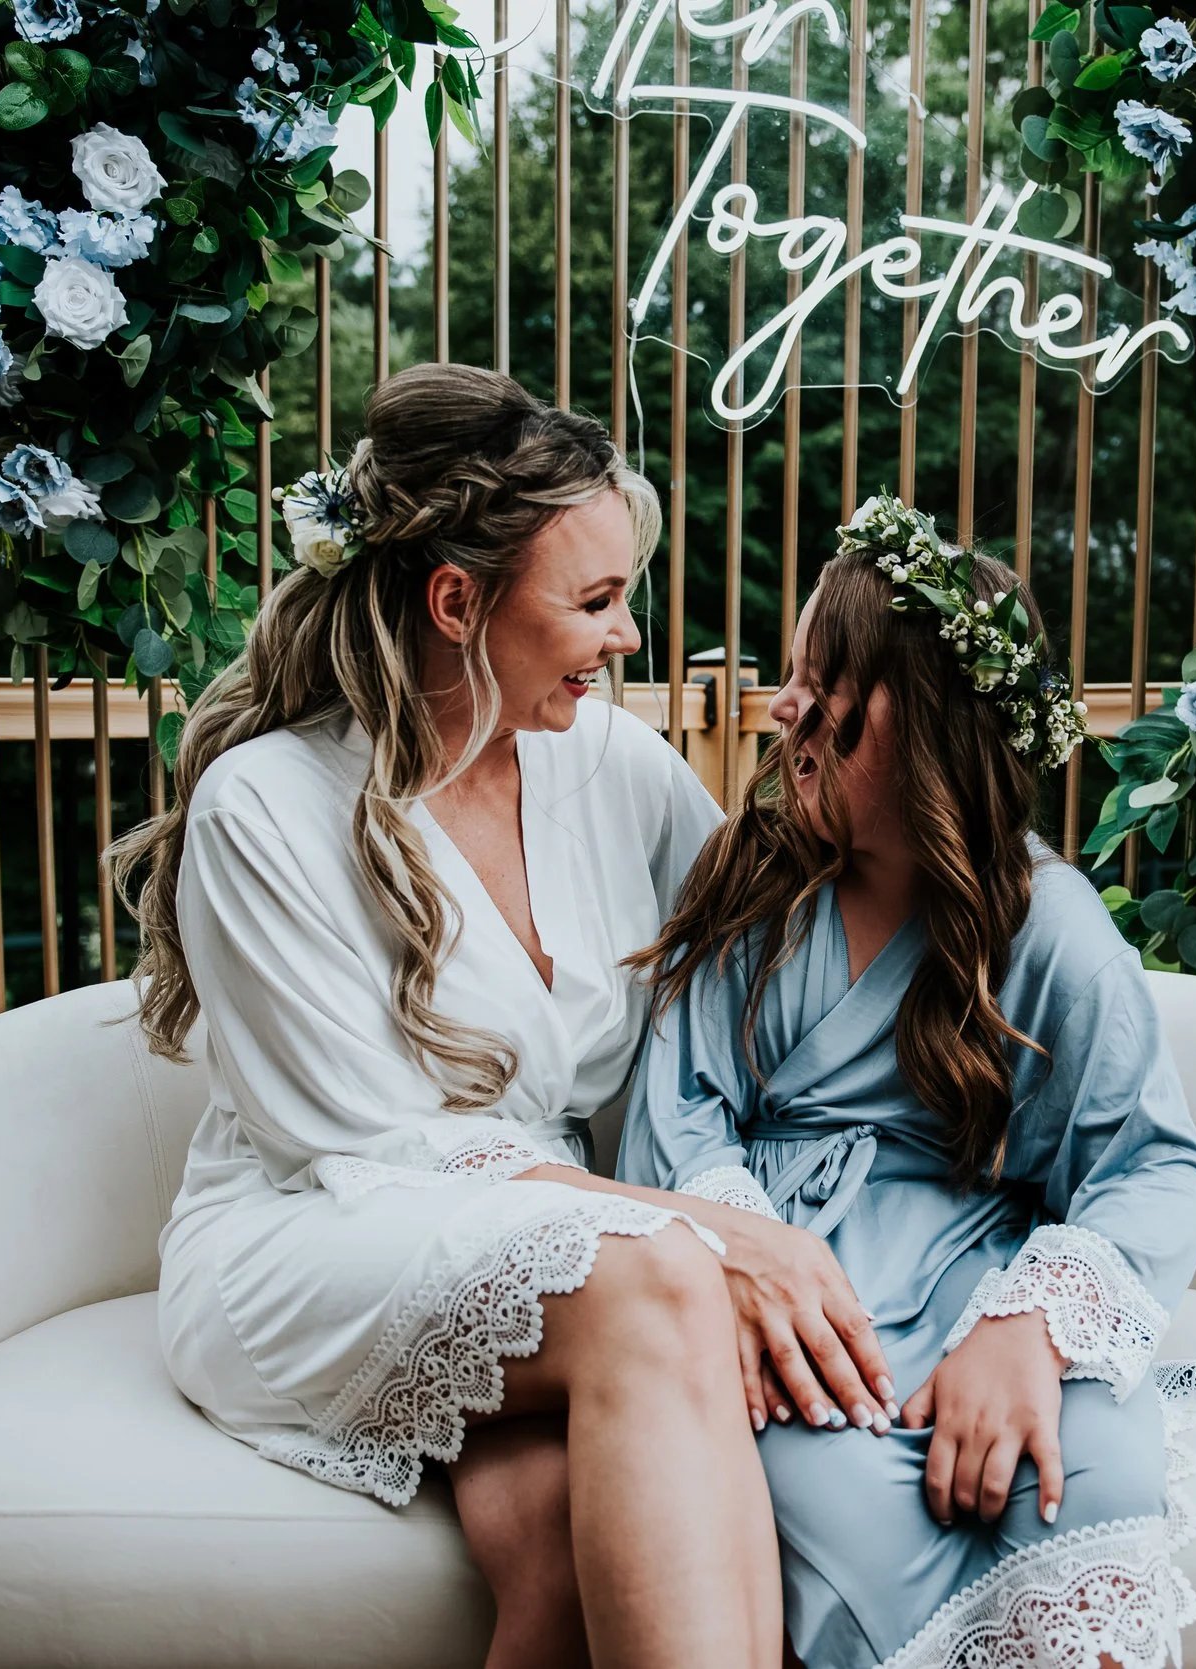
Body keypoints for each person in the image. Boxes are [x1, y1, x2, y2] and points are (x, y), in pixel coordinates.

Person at [112, 364, 896, 1669]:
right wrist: (711, 1232)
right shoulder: (268, 806)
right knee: (660, 1276)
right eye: (594, 601)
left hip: (549, 1247)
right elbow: (364, 1145)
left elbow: (761, 970)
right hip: (312, 1237)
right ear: (456, 602)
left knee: (553, 1547)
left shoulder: (610, 764)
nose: (627, 635)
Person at [620, 496, 1196, 1669]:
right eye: (792, 674)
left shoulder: (1044, 925)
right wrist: (746, 1265)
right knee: (852, 1510)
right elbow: (678, 1117)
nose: (785, 707)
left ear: (929, 726)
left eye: (825, 685)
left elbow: (1148, 1167)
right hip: (789, 1306)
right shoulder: (753, 881)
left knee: (1085, 1483)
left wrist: (1027, 1328)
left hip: (976, 1280)